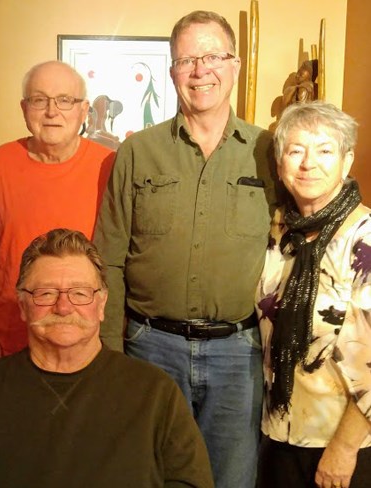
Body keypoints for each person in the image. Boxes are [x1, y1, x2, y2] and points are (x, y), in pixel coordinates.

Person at [93, 10, 277, 488]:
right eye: (186, 60)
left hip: (239, 354)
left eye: (213, 56)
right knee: (148, 475)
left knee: (232, 480)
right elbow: (108, 258)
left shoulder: (270, 152)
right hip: (149, 348)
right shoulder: (136, 153)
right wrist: (111, 350)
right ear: (171, 70)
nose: (200, 70)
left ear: (234, 64)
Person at [0, 228, 214, 488]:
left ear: (102, 304)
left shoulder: (155, 393)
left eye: (79, 293)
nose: (63, 308)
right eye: (46, 293)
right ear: (23, 306)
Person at [255, 101, 371, 488]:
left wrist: (344, 448)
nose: (308, 164)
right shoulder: (278, 232)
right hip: (278, 433)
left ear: (347, 160)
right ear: (279, 163)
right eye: (295, 150)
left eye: (325, 150)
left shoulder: (364, 239)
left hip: (344, 445)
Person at [0, 60, 115, 365]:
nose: (52, 111)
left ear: (83, 109)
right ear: (24, 108)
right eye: (40, 100)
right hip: (10, 339)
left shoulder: (110, 167)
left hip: (86, 343)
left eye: (65, 100)